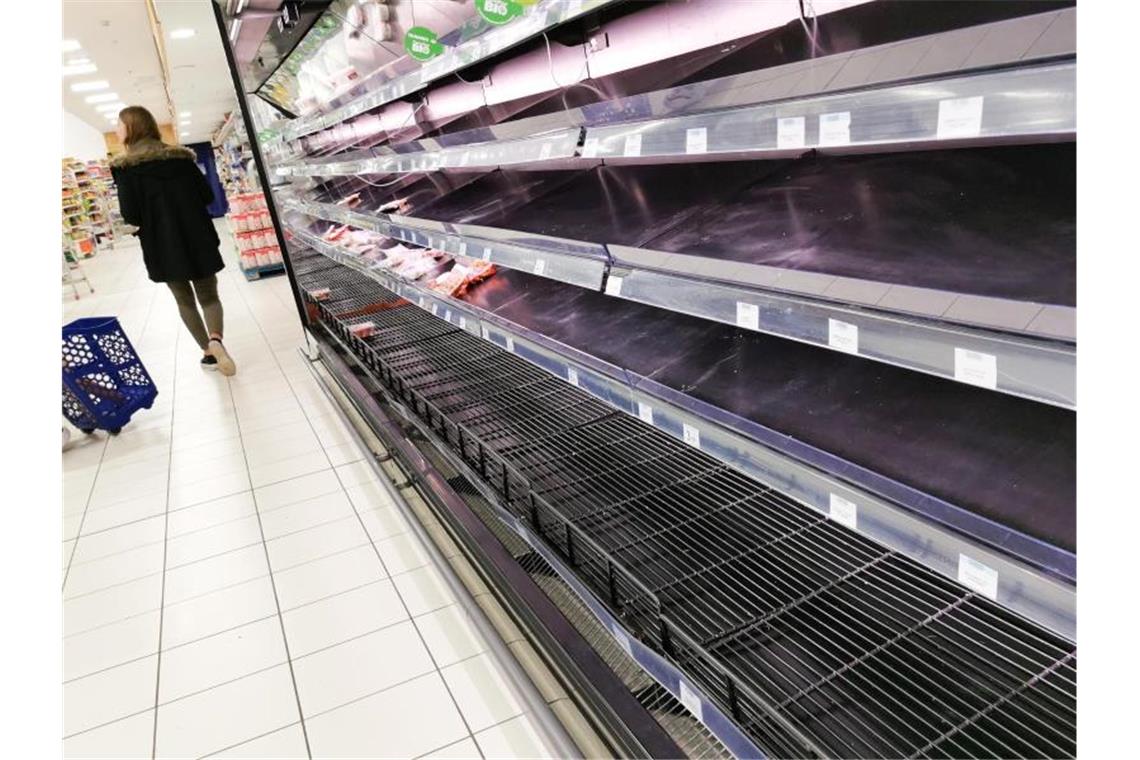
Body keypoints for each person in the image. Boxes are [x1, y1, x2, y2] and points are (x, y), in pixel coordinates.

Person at [110, 106, 236, 375]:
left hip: (161, 243)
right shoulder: (181, 159)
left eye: (119, 124)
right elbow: (207, 196)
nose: (117, 129)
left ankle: (208, 353)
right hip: (197, 235)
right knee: (209, 295)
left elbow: (130, 214)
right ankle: (216, 340)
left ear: (131, 128)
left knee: (184, 299)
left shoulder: (125, 169)